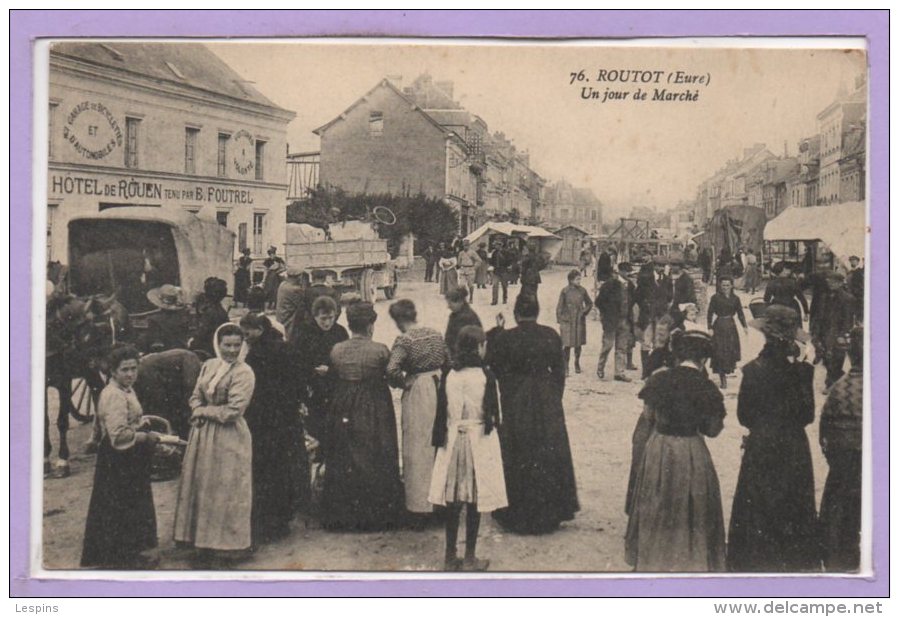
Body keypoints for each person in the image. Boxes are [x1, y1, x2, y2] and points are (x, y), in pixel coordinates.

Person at [625, 330, 726, 572]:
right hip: (691, 449)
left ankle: (653, 559)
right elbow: (712, 429)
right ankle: (690, 560)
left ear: (679, 355)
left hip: (660, 448)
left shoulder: (659, 380)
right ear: (703, 360)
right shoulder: (707, 387)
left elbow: (648, 416)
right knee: (692, 507)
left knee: (657, 501)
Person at [727, 305, 818, 572]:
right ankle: (792, 558)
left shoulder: (753, 370)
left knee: (758, 502)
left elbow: (744, 416)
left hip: (763, 442)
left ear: (767, 335)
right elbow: (807, 416)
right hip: (793, 444)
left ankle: (756, 557)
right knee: (793, 500)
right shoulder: (803, 372)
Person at [487, 294, 578, 534]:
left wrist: (509, 389)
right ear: (537, 313)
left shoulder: (507, 338)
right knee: (549, 451)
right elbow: (560, 371)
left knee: (519, 451)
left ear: (517, 314)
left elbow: (493, 367)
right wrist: (553, 397)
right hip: (546, 399)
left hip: (517, 400)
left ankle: (517, 512)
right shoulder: (550, 335)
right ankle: (552, 510)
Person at [174, 324, 255, 562]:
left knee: (225, 488)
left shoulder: (244, 372)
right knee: (203, 486)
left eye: (236, 346)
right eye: (226, 345)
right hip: (202, 434)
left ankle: (229, 545)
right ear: (217, 345)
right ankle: (203, 542)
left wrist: (202, 411)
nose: (231, 350)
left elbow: (233, 410)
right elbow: (195, 395)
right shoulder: (209, 366)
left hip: (229, 436)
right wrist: (198, 408)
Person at [430, 326, 507, 571]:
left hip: (453, 439)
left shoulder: (450, 375)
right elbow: (493, 413)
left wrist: (440, 441)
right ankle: (471, 557)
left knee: (453, 501)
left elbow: (441, 413)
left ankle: (449, 556)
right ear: (479, 348)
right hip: (477, 442)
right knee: (475, 500)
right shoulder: (486, 376)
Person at [321, 302, 404, 530]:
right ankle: (377, 515)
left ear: (349, 325)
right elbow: (392, 377)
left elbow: (332, 376)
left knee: (345, 452)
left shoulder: (337, 349)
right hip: (374, 403)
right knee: (376, 450)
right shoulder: (379, 349)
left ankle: (344, 515)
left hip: (343, 402)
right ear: (370, 326)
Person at [81, 344, 161, 568]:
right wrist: (146, 436)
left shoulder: (125, 389)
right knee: (123, 505)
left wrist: (140, 422)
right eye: (124, 369)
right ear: (113, 371)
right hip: (120, 457)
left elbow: (124, 421)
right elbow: (117, 435)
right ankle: (123, 558)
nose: (130, 374)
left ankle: (129, 552)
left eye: (133, 369)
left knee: (129, 504)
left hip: (127, 455)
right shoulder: (114, 394)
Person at [240, 313, 308, 543]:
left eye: (248, 332)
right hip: (286, 418)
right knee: (285, 466)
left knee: (266, 469)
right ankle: (284, 516)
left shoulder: (256, 353)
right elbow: (299, 381)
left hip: (264, 420)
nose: (246, 337)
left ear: (259, 329)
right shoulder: (284, 346)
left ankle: (269, 521)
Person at [386, 299, 450, 521]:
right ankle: (443, 502)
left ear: (398, 320)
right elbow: (448, 361)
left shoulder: (404, 340)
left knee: (418, 446)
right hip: (439, 387)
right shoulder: (434, 334)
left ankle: (420, 506)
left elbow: (392, 369)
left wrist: (404, 384)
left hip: (418, 391)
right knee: (440, 443)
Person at [818, 326, 863, 572]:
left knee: (840, 511)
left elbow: (824, 432)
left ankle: (840, 558)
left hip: (844, 462)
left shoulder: (839, 388)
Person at [294, 295, 349, 443]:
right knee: (314, 420)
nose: (327, 322)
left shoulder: (340, 332)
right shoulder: (304, 332)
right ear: (314, 316)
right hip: (312, 385)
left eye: (331, 317)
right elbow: (296, 361)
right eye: (323, 318)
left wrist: (330, 371)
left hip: (334, 384)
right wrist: (311, 372)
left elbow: (347, 359)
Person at [813, 271, 856, 389]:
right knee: (826, 359)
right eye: (828, 281)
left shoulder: (848, 298)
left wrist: (843, 334)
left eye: (832, 282)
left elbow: (848, 319)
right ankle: (838, 378)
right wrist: (816, 332)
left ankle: (831, 383)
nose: (829, 284)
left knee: (836, 358)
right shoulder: (824, 296)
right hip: (823, 331)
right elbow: (819, 314)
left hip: (836, 332)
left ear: (840, 283)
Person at [595, 262, 635, 382]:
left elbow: (632, 302)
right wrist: (606, 316)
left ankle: (619, 373)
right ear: (621, 271)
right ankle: (600, 367)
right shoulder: (609, 285)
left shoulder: (631, 286)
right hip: (611, 321)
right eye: (627, 272)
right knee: (607, 346)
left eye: (630, 272)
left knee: (622, 348)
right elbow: (599, 302)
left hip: (625, 320)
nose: (629, 274)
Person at [707, 276, 748, 389]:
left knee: (729, 351)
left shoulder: (736, 299)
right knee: (720, 351)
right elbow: (710, 313)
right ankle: (722, 377)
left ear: (731, 286)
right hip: (719, 326)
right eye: (723, 285)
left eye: (728, 285)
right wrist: (709, 327)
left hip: (731, 326)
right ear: (720, 286)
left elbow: (740, 313)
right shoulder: (715, 298)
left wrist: (744, 326)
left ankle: (728, 370)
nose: (725, 287)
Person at [556, 269, 593, 375]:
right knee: (566, 345)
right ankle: (566, 366)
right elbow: (559, 307)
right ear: (571, 280)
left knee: (578, 344)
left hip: (578, 320)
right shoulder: (565, 291)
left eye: (580, 279)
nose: (579, 281)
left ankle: (577, 362)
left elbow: (590, 303)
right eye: (577, 279)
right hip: (567, 321)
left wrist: (583, 312)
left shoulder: (582, 290)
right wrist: (560, 320)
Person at [142, 284, 191, 354]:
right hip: (182, 351)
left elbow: (154, 343)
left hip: (164, 353)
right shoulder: (183, 318)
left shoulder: (154, 320)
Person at [191, 277, 229, 359]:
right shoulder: (220, 310)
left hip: (208, 348)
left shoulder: (210, 311)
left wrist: (192, 344)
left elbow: (202, 332)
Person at [633, 262, 661, 376]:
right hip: (648, 317)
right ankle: (646, 370)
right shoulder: (647, 282)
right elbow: (637, 299)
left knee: (654, 344)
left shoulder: (664, 281)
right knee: (647, 343)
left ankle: (651, 369)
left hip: (656, 318)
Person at [444, 286, 482, 360]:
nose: (448, 306)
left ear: (460, 302)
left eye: (450, 303)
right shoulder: (455, 315)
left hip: (464, 359)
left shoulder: (466, 317)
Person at [276, 267, 308, 345]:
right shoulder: (294, 289)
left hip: (281, 318)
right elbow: (304, 303)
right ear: (298, 277)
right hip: (290, 322)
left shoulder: (283, 284)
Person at [666, 255, 697, 327]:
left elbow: (689, 294)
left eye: (675, 265)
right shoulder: (668, 277)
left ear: (680, 266)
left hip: (681, 308)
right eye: (672, 265)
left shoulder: (686, 279)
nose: (673, 267)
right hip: (670, 308)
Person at [489, 238, 513, 305]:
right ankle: (494, 300)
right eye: (495, 245)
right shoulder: (494, 253)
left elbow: (510, 260)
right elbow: (492, 261)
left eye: (496, 245)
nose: (495, 246)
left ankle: (504, 298)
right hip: (496, 271)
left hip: (504, 270)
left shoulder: (506, 252)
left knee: (504, 286)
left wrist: (509, 266)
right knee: (495, 285)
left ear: (500, 245)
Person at [262, 246, 286, 311]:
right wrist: (263, 280)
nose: (272, 255)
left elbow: (284, 267)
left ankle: (275, 304)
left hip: (277, 277)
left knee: (276, 290)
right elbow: (265, 271)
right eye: (271, 254)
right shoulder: (267, 261)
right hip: (269, 277)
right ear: (269, 255)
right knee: (269, 290)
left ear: (275, 253)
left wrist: (279, 271)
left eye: (273, 254)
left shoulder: (279, 259)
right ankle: (269, 304)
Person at [847, 255, 864, 323]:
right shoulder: (850, 272)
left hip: (856, 295)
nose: (852, 262)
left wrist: (855, 292)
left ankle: (858, 323)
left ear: (857, 262)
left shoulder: (859, 272)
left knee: (858, 310)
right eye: (851, 261)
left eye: (854, 261)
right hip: (849, 293)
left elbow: (861, 285)